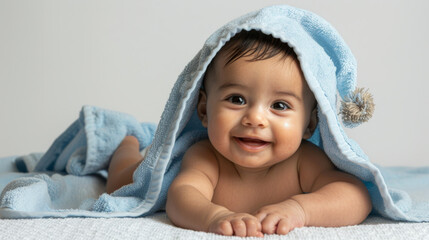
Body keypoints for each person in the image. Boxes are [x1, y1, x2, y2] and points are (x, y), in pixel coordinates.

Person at [106, 30, 372, 237]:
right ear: (203, 110)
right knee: (121, 183)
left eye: (279, 105)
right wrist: (213, 216)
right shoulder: (206, 156)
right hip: (156, 168)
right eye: (236, 99)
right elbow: (182, 195)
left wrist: (300, 209)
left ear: (310, 125)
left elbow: (355, 196)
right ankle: (127, 143)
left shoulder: (304, 161)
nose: (255, 118)